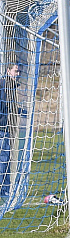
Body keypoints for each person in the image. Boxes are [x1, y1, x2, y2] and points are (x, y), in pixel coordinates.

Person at [0, 64, 20, 202]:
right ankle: (3, 190)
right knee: (4, 159)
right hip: (2, 128)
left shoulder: (12, 86)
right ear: (8, 71)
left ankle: (5, 190)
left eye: (19, 71)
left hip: (7, 128)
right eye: (15, 71)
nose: (18, 73)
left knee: (6, 159)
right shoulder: (5, 85)